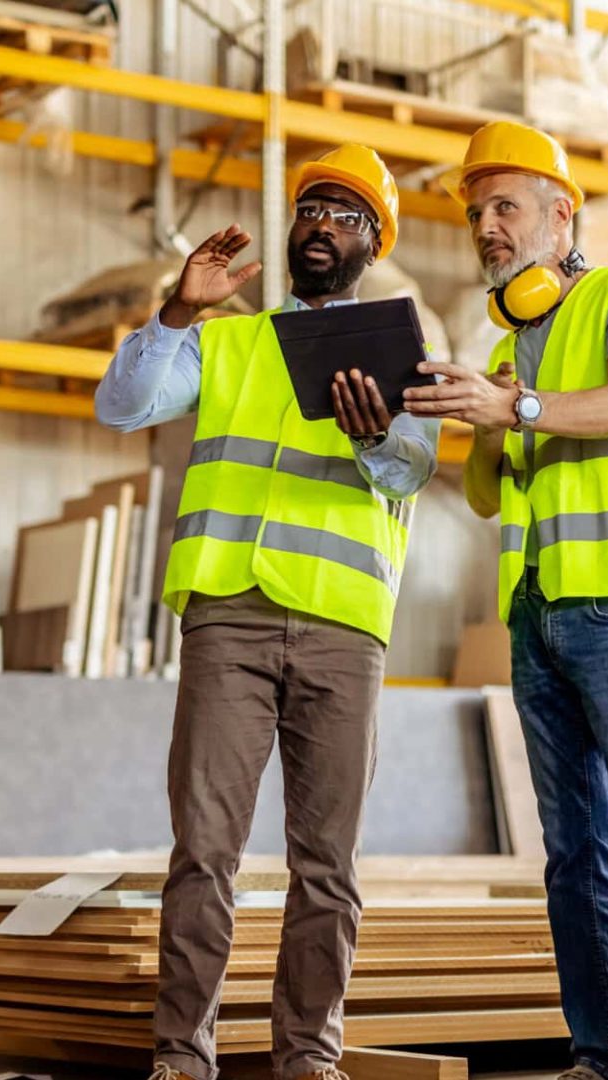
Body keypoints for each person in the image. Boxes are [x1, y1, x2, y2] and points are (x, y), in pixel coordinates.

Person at [96, 144, 439, 1080]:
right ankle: (182, 1053)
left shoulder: (400, 356)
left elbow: (414, 470)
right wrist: (179, 309)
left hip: (341, 629)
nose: (325, 225)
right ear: (293, 230)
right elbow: (122, 406)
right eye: (315, 210)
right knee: (204, 849)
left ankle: (307, 1057)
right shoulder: (231, 340)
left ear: (374, 245)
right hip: (228, 620)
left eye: (350, 217)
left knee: (326, 862)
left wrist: (376, 434)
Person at [402, 120, 608, 1080]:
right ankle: (599, 1055)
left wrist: (518, 407)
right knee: (573, 853)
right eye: (475, 214)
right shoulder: (511, 339)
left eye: (505, 207)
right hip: (538, 616)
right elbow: (489, 495)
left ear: (559, 213)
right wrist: (485, 417)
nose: (487, 228)